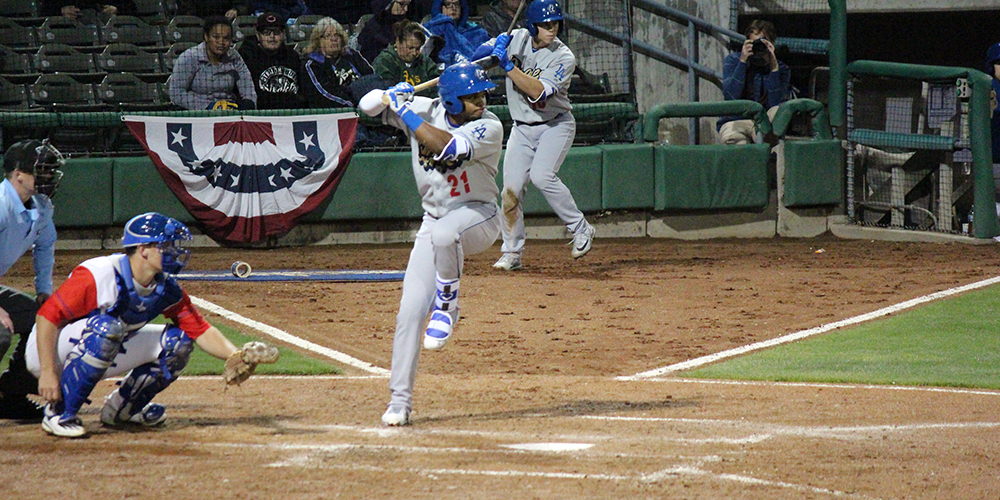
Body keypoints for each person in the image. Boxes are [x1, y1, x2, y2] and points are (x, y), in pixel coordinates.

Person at [27, 212, 273, 438]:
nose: (174, 252)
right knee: (108, 329)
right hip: (50, 352)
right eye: (165, 246)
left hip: (104, 344)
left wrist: (236, 355)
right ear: (143, 250)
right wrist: (48, 371)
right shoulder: (100, 274)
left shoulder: (165, 287)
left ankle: (123, 410)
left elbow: (200, 330)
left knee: (178, 343)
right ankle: (59, 412)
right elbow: (46, 317)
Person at [359, 62, 503, 426]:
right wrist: (388, 95)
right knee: (408, 313)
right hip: (434, 219)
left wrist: (405, 111)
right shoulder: (424, 108)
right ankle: (399, 402)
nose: (481, 102)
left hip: (479, 216)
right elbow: (365, 107)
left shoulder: (489, 126)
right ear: (451, 101)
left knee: (446, 234)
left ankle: (447, 308)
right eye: (472, 97)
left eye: (482, 95)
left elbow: (446, 146)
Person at [483, 0, 595, 271]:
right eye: (545, 25)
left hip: (555, 125)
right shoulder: (517, 38)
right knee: (510, 192)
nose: (551, 29)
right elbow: (478, 55)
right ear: (532, 26)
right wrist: (492, 49)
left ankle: (581, 228)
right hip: (522, 128)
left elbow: (537, 92)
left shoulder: (564, 57)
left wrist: (507, 65)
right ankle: (512, 252)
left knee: (542, 176)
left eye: (555, 24)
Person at [0, 140, 64, 421]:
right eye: (41, 171)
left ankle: (9, 395)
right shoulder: (1, 204)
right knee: (0, 332)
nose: (48, 176)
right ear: (18, 174)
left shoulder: (41, 206)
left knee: (43, 321)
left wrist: (44, 292)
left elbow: (45, 246)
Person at [716, 20, 791, 145]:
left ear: (772, 44)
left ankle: (770, 151)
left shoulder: (781, 69)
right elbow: (730, 97)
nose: (758, 47)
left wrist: (773, 68)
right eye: (754, 43)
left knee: (778, 111)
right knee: (732, 138)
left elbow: (775, 103)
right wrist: (742, 62)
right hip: (737, 120)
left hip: (765, 121)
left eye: (763, 43)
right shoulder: (733, 60)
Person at [168, 16, 258, 111]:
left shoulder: (234, 56)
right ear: (206, 37)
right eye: (216, 37)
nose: (221, 42)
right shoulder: (189, 57)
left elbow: (248, 87)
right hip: (198, 113)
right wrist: (208, 106)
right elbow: (176, 93)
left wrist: (249, 105)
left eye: (226, 38)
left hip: (229, 111)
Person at [300, 17, 375, 108]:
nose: (334, 39)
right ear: (318, 40)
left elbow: (371, 77)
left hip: (367, 103)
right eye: (328, 35)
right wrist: (353, 105)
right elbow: (324, 95)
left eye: (337, 35)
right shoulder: (313, 64)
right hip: (340, 110)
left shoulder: (352, 55)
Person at [238, 12, 304, 110]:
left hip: (292, 113)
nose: (272, 36)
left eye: (276, 32)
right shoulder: (247, 57)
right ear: (258, 35)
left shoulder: (292, 56)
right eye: (266, 32)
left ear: (283, 34)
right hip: (261, 114)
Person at [372, 20, 441, 97]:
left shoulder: (426, 63)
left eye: (418, 48)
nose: (414, 53)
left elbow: (437, 89)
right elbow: (385, 94)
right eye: (410, 48)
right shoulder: (384, 62)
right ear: (398, 41)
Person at [424, 0, 490, 66]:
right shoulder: (432, 29)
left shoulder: (476, 32)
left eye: (456, 4)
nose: (453, 8)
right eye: (448, 4)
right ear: (440, 7)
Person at [358, 0, 415, 65]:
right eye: (402, 4)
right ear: (388, 4)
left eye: (407, 4)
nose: (406, 9)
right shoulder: (373, 29)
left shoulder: (405, 25)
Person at [40, 0, 137, 22]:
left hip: (108, 26)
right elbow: (43, 12)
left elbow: (132, 8)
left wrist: (117, 9)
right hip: (73, 29)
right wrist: (61, 11)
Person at [176, 0, 251, 19]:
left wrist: (236, 10)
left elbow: (244, 5)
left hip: (226, 22)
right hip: (201, 23)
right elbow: (187, 9)